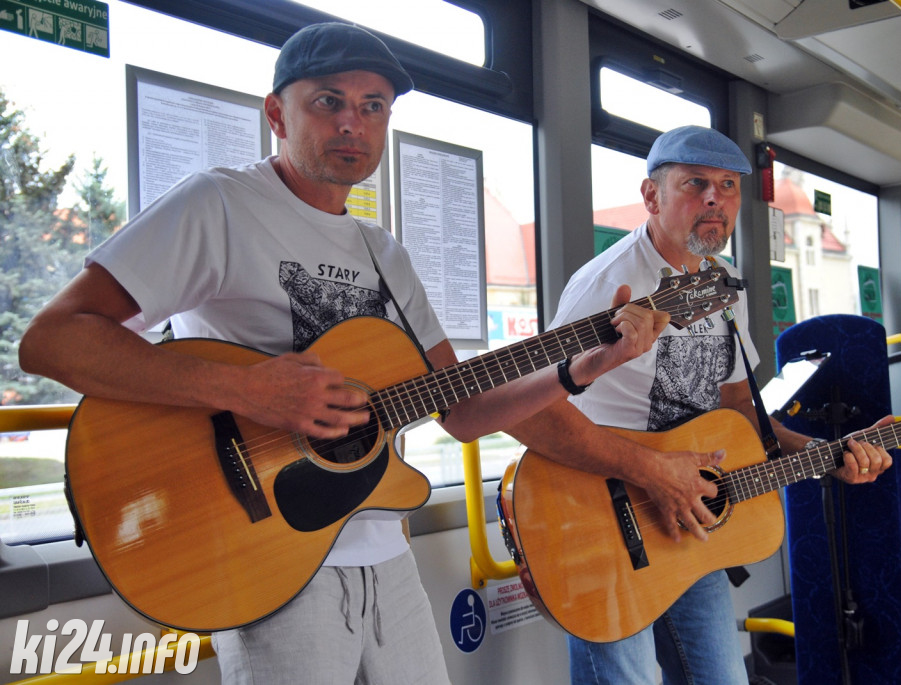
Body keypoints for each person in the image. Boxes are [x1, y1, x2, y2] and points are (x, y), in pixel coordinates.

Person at [17, 23, 670, 685]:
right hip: (266, 553)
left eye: (373, 106)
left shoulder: (383, 253)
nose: (352, 124)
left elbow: (462, 410)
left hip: (383, 553)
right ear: (277, 113)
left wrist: (579, 368)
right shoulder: (218, 204)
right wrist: (250, 391)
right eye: (328, 102)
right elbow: (54, 339)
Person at [507, 125, 894, 685]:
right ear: (651, 196)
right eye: (695, 184)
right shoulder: (608, 284)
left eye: (728, 186)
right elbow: (535, 413)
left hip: (690, 517)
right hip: (597, 518)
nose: (715, 199)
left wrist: (826, 453)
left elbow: (740, 411)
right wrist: (652, 472)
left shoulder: (721, 286)